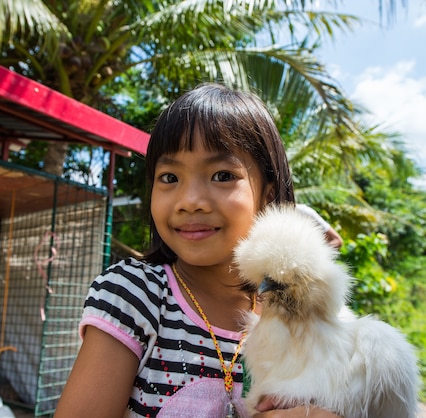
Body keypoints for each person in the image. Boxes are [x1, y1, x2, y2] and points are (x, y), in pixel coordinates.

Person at [55, 83, 340, 418]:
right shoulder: (137, 295)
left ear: (267, 193)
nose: (190, 201)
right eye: (169, 177)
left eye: (222, 175)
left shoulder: (294, 317)